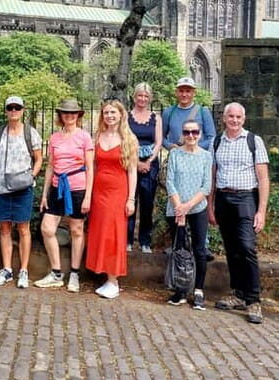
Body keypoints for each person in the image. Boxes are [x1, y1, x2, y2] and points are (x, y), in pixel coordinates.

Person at [207, 102, 269, 324]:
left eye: (238, 117)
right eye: (231, 116)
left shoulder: (253, 141)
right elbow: (212, 175)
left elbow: (263, 178)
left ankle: (253, 300)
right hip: (224, 198)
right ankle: (238, 293)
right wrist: (210, 205)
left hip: (245, 198)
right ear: (224, 118)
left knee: (247, 247)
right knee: (232, 249)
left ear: (244, 119)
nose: (234, 120)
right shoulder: (217, 142)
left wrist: (261, 211)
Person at [35, 99, 94, 292]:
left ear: (78, 115)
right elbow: (51, 166)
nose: (69, 116)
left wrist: (88, 196)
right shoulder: (54, 138)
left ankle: (74, 274)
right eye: (66, 113)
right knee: (47, 228)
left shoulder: (84, 137)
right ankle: (56, 273)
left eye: (73, 113)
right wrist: (45, 194)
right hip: (57, 187)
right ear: (60, 115)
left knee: (76, 229)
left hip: (77, 188)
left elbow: (90, 168)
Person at [86, 100, 138, 299]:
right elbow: (92, 166)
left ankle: (114, 280)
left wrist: (131, 199)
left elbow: (132, 171)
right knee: (101, 232)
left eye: (113, 112)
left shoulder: (128, 139)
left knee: (114, 234)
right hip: (99, 192)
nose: (109, 116)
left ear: (121, 114)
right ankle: (105, 276)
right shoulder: (97, 136)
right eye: (106, 112)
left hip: (118, 192)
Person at [0, 96, 43, 289]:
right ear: (6, 110)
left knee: (23, 228)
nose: (13, 111)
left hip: (22, 187)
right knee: (4, 228)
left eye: (17, 107)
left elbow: (38, 158)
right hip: (0, 186)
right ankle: (6, 269)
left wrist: (32, 175)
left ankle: (23, 270)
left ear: (23, 110)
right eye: (10, 107)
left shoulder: (30, 133)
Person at [165, 120, 213, 309]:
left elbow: (206, 186)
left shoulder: (206, 156)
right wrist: (179, 207)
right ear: (182, 134)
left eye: (194, 132)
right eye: (187, 132)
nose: (191, 136)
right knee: (180, 250)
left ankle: (199, 290)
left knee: (199, 250)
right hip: (176, 209)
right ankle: (181, 289)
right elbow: (170, 181)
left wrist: (188, 206)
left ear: (200, 134)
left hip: (197, 208)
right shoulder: (175, 154)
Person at [127, 82, 162, 253]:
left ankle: (145, 241)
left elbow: (158, 142)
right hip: (130, 163)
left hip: (150, 164)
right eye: (140, 95)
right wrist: (136, 163)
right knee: (130, 200)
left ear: (150, 98)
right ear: (134, 97)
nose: (142, 99)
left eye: (146, 96)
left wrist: (148, 161)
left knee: (147, 203)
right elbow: (124, 141)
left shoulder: (156, 118)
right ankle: (127, 240)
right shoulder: (126, 117)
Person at [162, 77, 216, 151]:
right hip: (176, 154)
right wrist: (169, 145)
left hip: (198, 155)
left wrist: (193, 148)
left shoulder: (203, 112)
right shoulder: (169, 112)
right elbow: (161, 137)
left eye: (188, 91)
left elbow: (211, 138)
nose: (184, 94)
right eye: (181, 91)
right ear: (176, 92)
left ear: (194, 93)